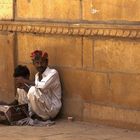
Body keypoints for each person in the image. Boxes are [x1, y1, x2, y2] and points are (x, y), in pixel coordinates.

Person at [16, 50, 62, 120]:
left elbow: (42, 85)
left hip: (52, 109)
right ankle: (28, 114)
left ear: (47, 62)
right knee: (22, 89)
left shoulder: (53, 73)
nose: (40, 65)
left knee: (32, 89)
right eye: (37, 63)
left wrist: (25, 81)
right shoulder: (37, 75)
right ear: (33, 64)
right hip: (44, 106)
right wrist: (24, 87)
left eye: (42, 62)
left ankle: (43, 117)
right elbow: (37, 94)